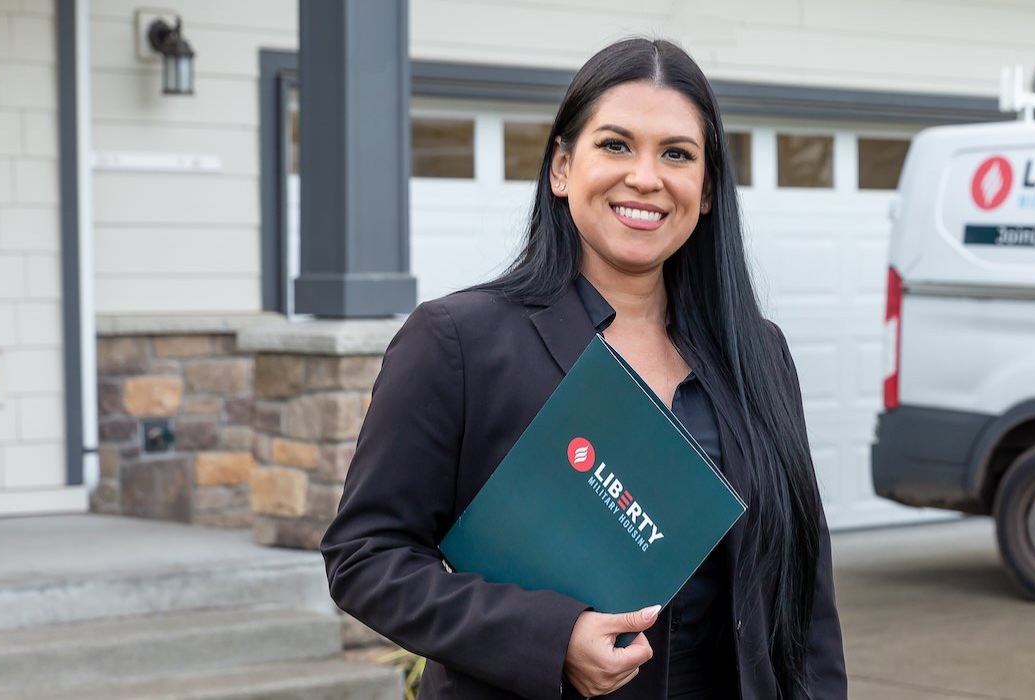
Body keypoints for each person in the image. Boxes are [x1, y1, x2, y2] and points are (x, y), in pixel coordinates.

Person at [320, 38, 847, 700]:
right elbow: (366, 557)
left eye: (677, 154)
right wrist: (550, 637)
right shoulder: (459, 342)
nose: (646, 178)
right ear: (563, 168)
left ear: (707, 191)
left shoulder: (756, 354)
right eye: (616, 145)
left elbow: (806, 588)